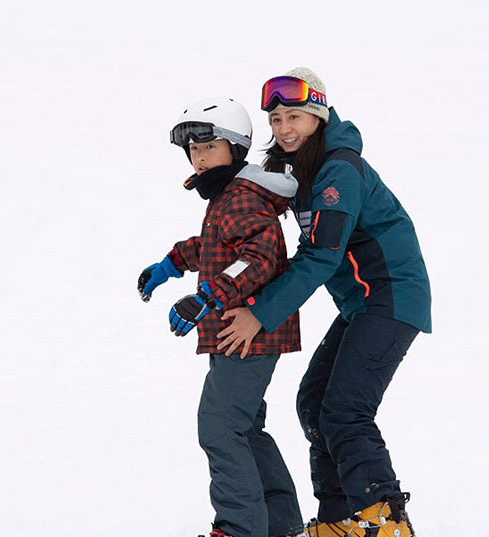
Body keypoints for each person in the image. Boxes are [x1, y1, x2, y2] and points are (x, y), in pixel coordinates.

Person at [216, 68, 432, 537]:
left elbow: (320, 255)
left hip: (391, 296)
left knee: (346, 411)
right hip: (363, 303)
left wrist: (260, 313)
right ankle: (339, 520)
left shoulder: (337, 169)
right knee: (315, 403)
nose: (284, 128)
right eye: (275, 120)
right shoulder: (299, 166)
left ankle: (383, 519)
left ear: (318, 114)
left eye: (294, 116)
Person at [137, 97, 304, 537]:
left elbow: (258, 257)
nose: (199, 156)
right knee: (244, 428)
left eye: (209, 146)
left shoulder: (243, 197)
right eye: (193, 150)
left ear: (236, 148)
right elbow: (216, 245)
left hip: (241, 332)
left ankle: (240, 529)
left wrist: (209, 296)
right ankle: (280, 525)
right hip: (242, 333)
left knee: (219, 429)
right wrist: (172, 264)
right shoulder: (231, 196)